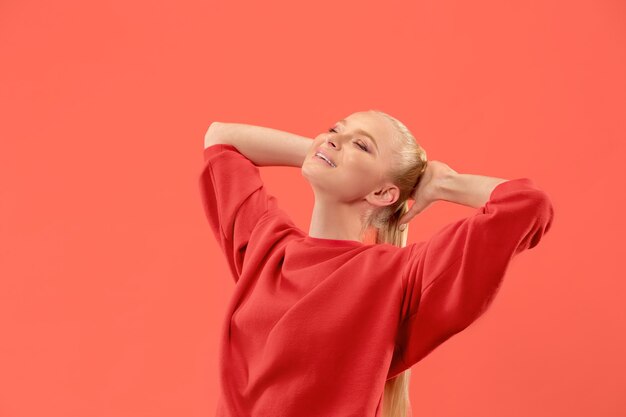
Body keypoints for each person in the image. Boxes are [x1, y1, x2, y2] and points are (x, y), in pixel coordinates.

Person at [198, 110, 554, 417]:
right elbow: (221, 139)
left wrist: (445, 183)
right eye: (336, 129)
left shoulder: (399, 276)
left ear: (383, 194)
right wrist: (322, 149)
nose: (335, 139)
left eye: (362, 145)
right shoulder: (268, 247)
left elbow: (527, 205)